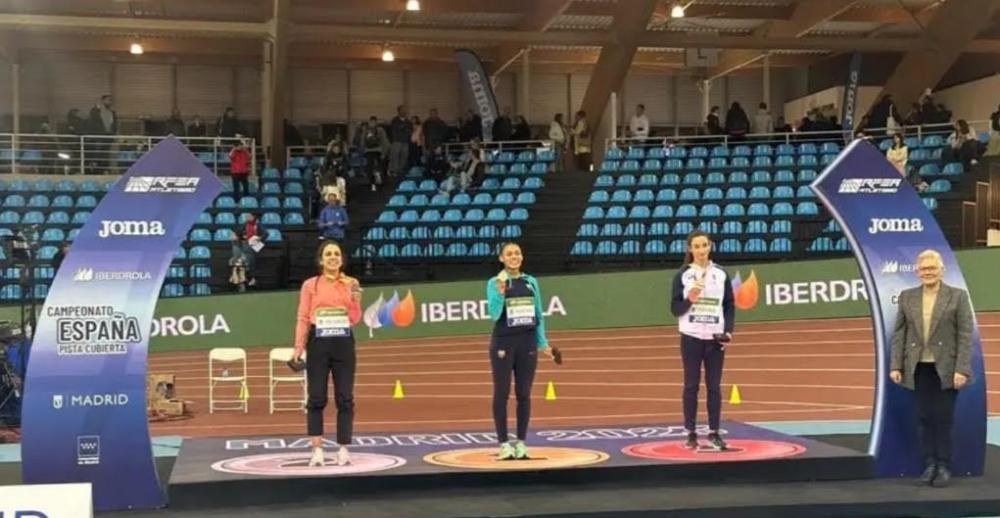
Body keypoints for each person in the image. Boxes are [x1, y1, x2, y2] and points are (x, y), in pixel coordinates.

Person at [890, 249, 974, 488]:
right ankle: (929, 464)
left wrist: (962, 369)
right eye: (923, 269)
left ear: (941, 270)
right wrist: (896, 364)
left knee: (943, 419)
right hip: (918, 368)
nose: (928, 272)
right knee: (925, 418)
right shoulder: (907, 297)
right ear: (917, 272)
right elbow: (899, 334)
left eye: (932, 268)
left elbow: (965, 335)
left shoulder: (957, 296)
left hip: (947, 368)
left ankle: (944, 466)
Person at [292, 241, 363, 467]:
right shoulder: (310, 285)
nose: (333, 257)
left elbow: (354, 318)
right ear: (321, 260)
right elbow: (303, 317)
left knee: (345, 397)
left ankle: (343, 448)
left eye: (336, 254)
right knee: (316, 397)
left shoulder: (351, 283)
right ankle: (317, 449)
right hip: (318, 342)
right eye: (328, 254)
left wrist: (356, 301)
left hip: (343, 342)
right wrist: (298, 347)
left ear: (341, 259)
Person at [486, 242, 554, 460]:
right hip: (503, 344)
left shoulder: (531, 282)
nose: (514, 257)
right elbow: (494, 314)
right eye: (509, 254)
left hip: (527, 344)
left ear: (522, 257)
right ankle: (504, 444)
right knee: (502, 392)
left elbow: (538, 315)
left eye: (517, 253)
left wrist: (542, 343)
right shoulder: (495, 282)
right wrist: (500, 291)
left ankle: (521, 443)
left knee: (524, 394)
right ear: (502, 259)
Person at [669, 230, 735, 451]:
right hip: (691, 337)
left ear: (710, 246)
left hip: (715, 338)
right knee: (691, 386)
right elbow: (675, 309)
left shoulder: (721, 273)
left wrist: (728, 331)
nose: (700, 251)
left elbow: (729, 305)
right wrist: (690, 299)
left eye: (704, 245)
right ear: (690, 249)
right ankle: (691, 433)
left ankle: (714, 433)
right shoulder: (683, 275)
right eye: (696, 247)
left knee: (714, 387)